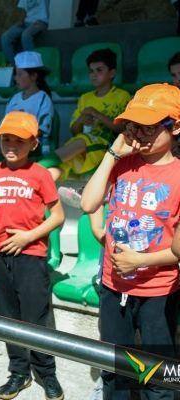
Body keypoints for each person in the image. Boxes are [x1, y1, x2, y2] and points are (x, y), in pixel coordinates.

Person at [82, 83, 180, 400]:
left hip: (158, 291)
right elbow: (88, 204)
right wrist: (113, 151)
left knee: (162, 375)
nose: (141, 134)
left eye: (150, 127)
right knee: (115, 369)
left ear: (175, 126)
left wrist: (140, 261)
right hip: (114, 286)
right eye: (135, 126)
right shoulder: (123, 164)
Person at [0, 111, 65, 400]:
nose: (11, 146)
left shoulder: (40, 175)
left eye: (19, 141)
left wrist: (28, 236)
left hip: (31, 255)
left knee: (37, 317)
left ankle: (46, 373)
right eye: (6, 140)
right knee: (8, 316)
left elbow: (58, 217)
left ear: (34, 144)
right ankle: (18, 372)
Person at [39, 48, 130, 205]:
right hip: (84, 149)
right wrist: (81, 120)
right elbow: (74, 131)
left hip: (107, 149)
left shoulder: (122, 96)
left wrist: (97, 114)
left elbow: (122, 129)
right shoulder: (85, 98)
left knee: (81, 141)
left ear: (112, 73)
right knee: (61, 166)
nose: (94, 74)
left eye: (99, 70)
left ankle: (37, 167)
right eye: (91, 71)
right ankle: (37, 190)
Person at [0, 51, 53, 197]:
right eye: (16, 74)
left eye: (20, 74)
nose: (16, 78)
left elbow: (43, 129)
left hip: (27, 143)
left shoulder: (43, 98)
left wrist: (21, 134)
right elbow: (4, 123)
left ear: (34, 76)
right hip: (7, 140)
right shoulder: (14, 98)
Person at [1, 0, 49, 65]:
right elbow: (22, 10)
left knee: (26, 35)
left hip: (41, 21)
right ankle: (16, 67)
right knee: (5, 37)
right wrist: (21, 20)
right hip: (27, 22)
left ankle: (33, 67)